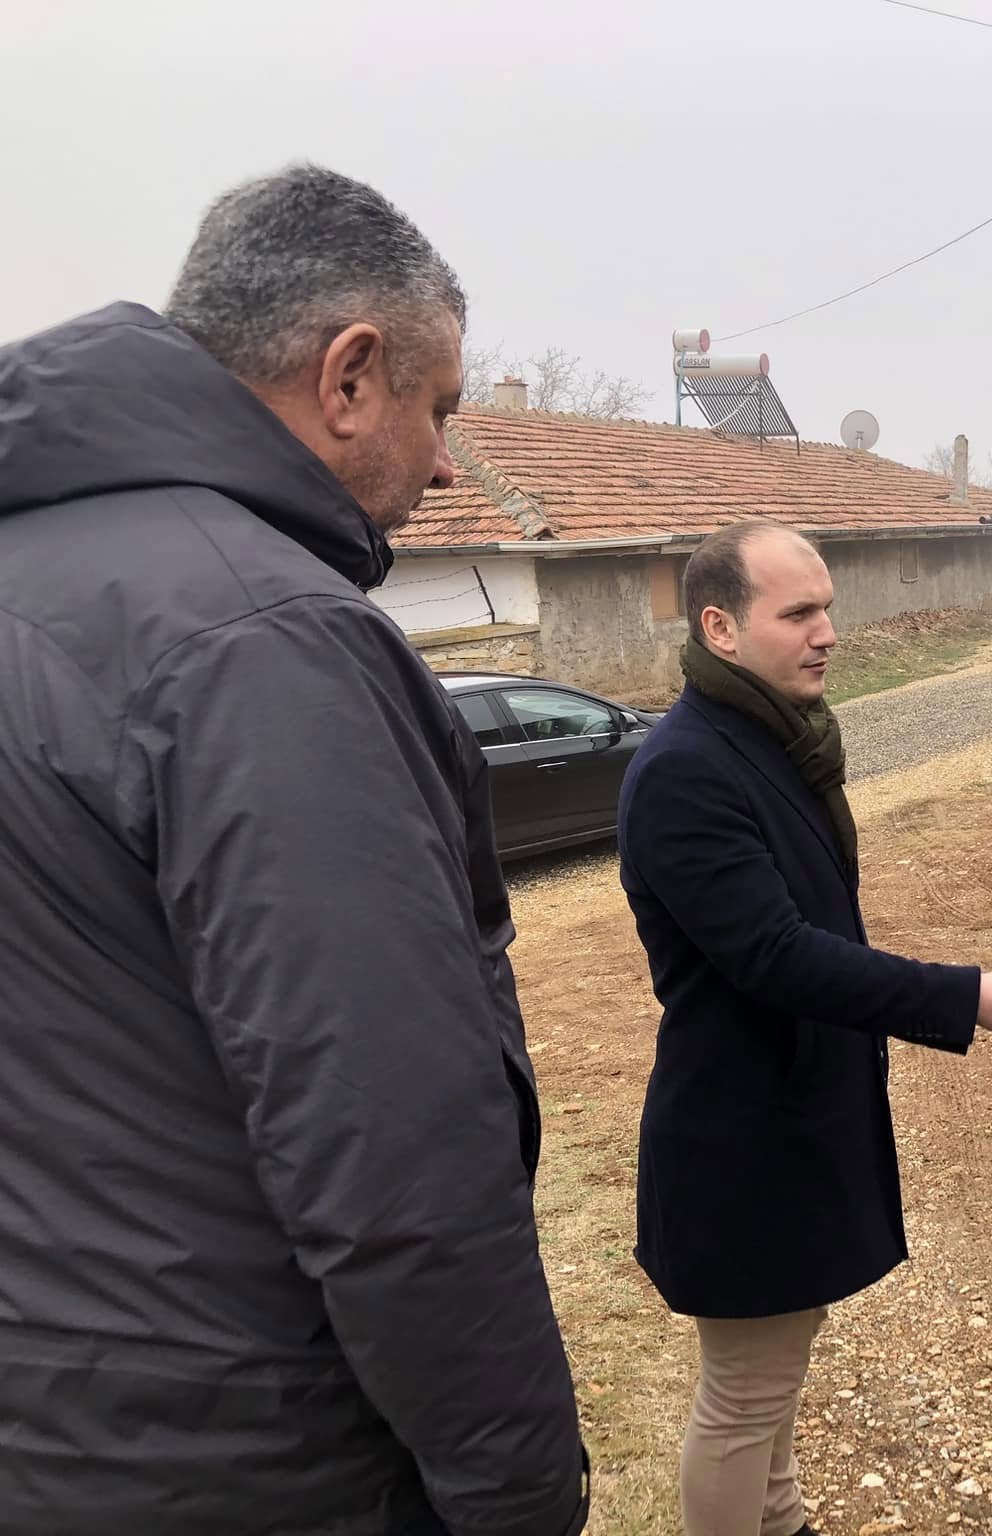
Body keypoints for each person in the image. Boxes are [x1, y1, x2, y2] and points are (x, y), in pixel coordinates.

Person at [0, 167, 587, 1534]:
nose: (448, 461)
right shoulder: (262, 640)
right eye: (439, 408)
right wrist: (517, 1497)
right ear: (348, 377)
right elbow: (394, 1158)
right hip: (245, 1455)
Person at [619, 519, 992, 1536]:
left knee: (771, 1389)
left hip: (792, 1121)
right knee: (743, 1400)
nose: (827, 631)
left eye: (826, 606)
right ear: (720, 627)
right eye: (798, 613)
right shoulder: (684, 768)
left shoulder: (771, 742)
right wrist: (964, 994)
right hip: (741, 1142)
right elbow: (773, 955)